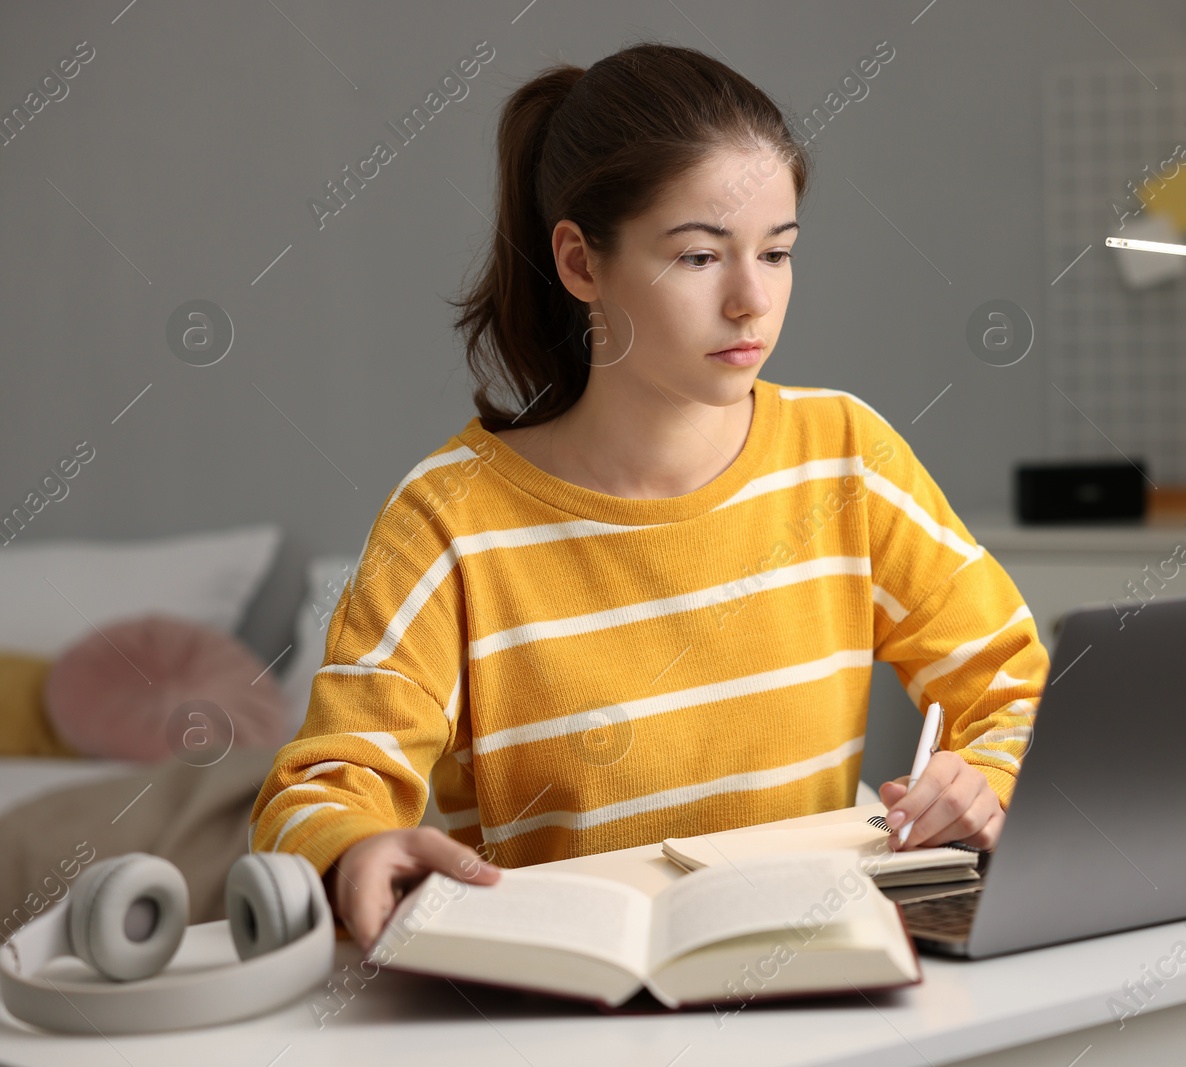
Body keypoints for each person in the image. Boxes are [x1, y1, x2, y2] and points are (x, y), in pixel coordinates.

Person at [250, 41, 1048, 952]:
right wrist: (351, 848)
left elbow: (1015, 689)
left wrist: (984, 779)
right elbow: (317, 792)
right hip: (560, 1005)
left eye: (778, 253)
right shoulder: (449, 519)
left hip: (819, 993)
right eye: (702, 257)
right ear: (582, 264)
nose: (753, 300)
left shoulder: (847, 458)